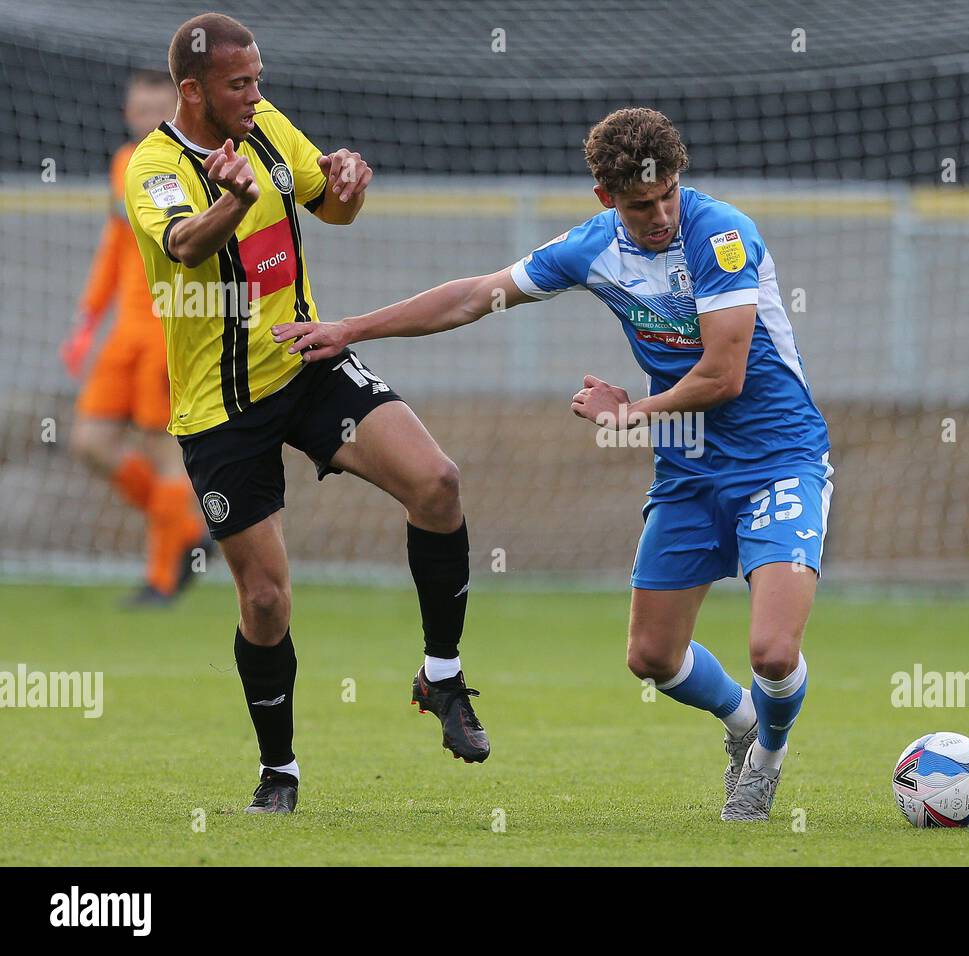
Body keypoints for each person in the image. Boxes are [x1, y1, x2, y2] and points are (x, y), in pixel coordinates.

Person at [272, 107, 832, 822]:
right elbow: (476, 296)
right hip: (689, 468)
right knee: (653, 658)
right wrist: (349, 328)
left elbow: (725, 376)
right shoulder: (594, 246)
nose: (659, 215)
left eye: (668, 196)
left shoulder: (720, 235)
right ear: (607, 200)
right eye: (640, 205)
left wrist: (630, 414)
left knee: (773, 653)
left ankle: (767, 761)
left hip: (778, 458)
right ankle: (742, 724)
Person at [122, 13, 489, 815]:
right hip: (220, 408)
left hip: (308, 359)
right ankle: (280, 771)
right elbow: (184, 244)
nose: (256, 95)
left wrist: (353, 187)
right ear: (193, 91)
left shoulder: (266, 124)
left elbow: (330, 205)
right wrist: (232, 199)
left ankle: (442, 674)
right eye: (238, 84)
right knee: (265, 601)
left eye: (258, 79)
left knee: (438, 482)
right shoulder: (152, 166)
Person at [62, 70, 209, 607]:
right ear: (128, 115)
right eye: (139, 111)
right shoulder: (123, 164)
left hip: (168, 328)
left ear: (174, 112)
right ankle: (188, 535)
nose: (148, 121)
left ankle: (163, 577)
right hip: (123, 332)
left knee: (163, 450)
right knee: (90, 442)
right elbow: (112, 246)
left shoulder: (187, 166)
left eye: (157, 111)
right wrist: (85, 321)